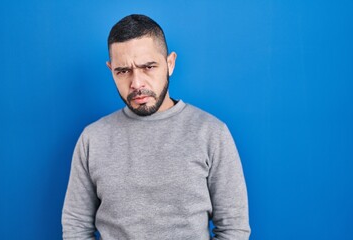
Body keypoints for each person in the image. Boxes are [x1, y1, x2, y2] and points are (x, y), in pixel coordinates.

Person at [62, 14, 250, 240]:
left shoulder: (211, 132)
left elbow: (233, 228)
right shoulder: (93, 138)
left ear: (170, 63)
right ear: (111, 69)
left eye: (148, 67)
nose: (137, 83)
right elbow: (76, 226)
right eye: (123, 71)